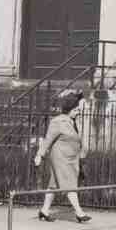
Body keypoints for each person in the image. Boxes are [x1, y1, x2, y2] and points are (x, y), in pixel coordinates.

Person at [34, 88, 90, 223]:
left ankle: (44, 210)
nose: (78, 112)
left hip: (71, 159)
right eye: (76, 110)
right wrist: (39, 155)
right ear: (69, 109)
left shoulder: (72, 122)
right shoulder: (57, 122)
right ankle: (79, 212)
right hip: (61, 159)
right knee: (69, 185)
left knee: (53, 185)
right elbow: (47, 140)